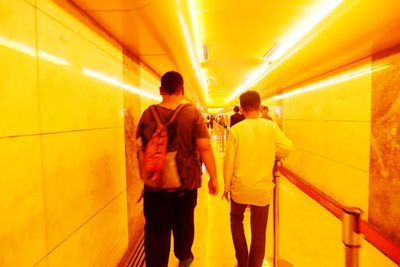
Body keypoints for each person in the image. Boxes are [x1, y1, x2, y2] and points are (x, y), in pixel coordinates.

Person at [136, 71, 219, 267]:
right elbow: (204, 148)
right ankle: (184, 257)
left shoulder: (147, 113)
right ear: (182, 90)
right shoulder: (192, 114)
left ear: (161, 90)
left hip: (154, 186)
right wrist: (213, 177)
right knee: (184, 224)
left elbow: (139, 145)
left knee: (156, 229)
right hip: (185, 185)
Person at [223, 91, 292, 267]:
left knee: (236, 220)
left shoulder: (236, 130)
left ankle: (242, 262)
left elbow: (229, 160)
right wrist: (275, 154)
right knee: (259, 232)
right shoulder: (270, 126)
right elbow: (287, 147)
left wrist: (226, 186)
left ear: (243, 109)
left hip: (240, 186)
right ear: (260, 107)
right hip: (262, 188)